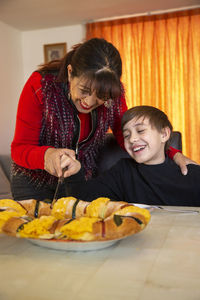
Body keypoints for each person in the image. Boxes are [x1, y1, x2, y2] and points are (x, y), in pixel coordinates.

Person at [10, 38, 194, 201]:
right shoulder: (41, 86)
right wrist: (46, 155)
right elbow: (19, 148)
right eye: (84, 90)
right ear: (70, 72)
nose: (89, 102)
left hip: (79, 180)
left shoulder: (113, 92)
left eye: (101, 96)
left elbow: (126, 134)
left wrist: (173, 153)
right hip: (33, 183)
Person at [63, 106, 200, 206]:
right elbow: (83, 198)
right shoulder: (123, 171)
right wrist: (75, 173)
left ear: (164, 134)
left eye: (140, 131)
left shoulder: (191, 174)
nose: (132, 139)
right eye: (126, 135)